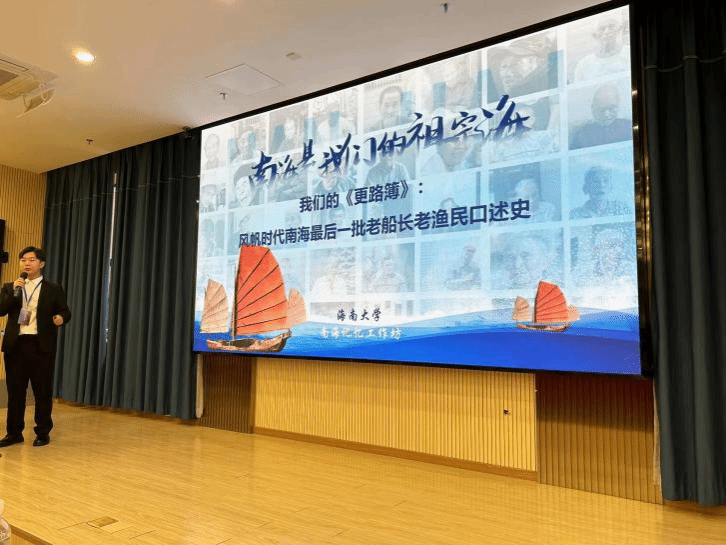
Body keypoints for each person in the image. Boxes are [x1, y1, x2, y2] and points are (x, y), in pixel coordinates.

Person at [0, 247, 71, 448]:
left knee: (42, 392)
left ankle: (42, 432)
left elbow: (65, 311)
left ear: (42, 263)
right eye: (23, 260)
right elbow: (1, 310)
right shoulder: (11, 287)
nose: (27, 263)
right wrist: (14, 292)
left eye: (31, 260)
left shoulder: (53, 289)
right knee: (15, 392)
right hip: (16, 345)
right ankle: (14, 433)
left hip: (41, 346)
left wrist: (61, 318)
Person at [570, 84, 632, 149]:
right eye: (601, 109)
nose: (606, 114)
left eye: (611, 108)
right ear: (593, 108)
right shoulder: (581, 135)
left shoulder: (628, 127)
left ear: (618, 105)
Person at [573, 16, 630, 82]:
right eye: (602, 29)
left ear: (619, 29)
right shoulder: (584, 65)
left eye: (611, 27)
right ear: (595, 35)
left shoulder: (630, 53)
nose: (606, 31)